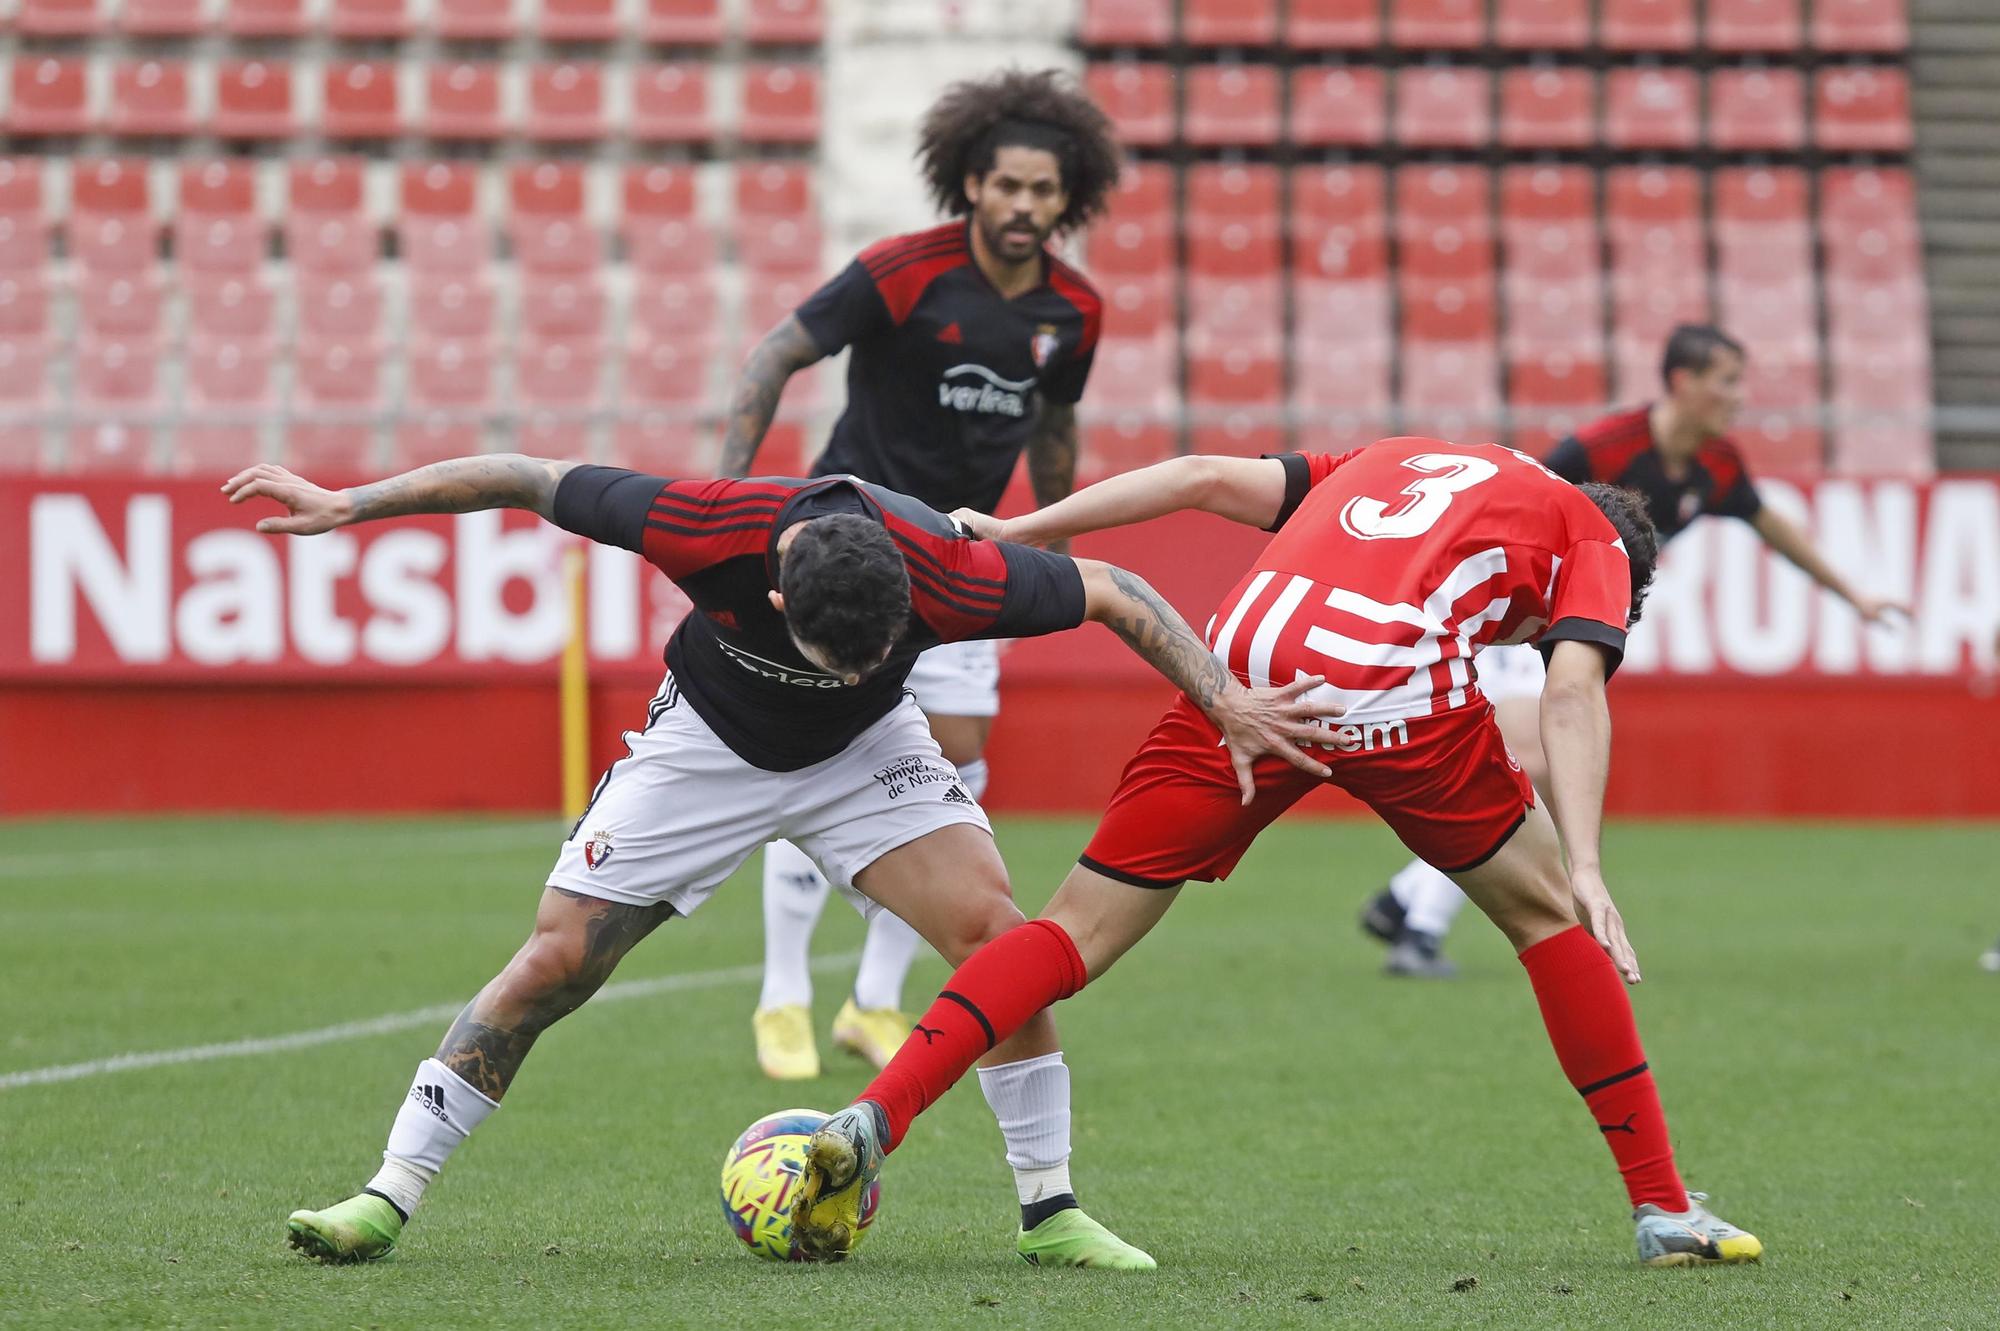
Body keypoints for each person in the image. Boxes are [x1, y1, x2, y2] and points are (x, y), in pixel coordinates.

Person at [225, 452, 1331, 1269]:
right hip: (704, 744)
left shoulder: (951, 574)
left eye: (873, 657)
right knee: (557, 960)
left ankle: (1051, 1212)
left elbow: (1110, 592)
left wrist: (1220, 696)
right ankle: (386, 1191)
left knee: (999, 937)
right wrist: (349, 503)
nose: (852, 668)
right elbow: (524, 474)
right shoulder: (703, 522)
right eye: (831, 657)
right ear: (774, 591)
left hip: (867, 759)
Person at [786, 437, 1765, 1270]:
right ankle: (1663, 1206)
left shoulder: (1396, 458)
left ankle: (877, 1112)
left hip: (1241, 666)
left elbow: (1202, 476)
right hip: (1386, 680)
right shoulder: (1591, 538)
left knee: (1071, 929)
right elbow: (1570, 694)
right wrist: (1587, 863)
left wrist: (1017, 529)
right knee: (1547, 912)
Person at [716, 69, 1120, 1079]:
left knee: (950, 767)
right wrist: (729, 492)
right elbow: (773, 354)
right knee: (805, 750)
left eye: (1043, 191)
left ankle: (873, 1000)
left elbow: (1056, 429)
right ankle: (780, 995)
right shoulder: (902, 271)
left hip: (959, 557)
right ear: (969, 183)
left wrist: (1053, 549)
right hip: (844, 544)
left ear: (1067, 199)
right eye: (1007, 186)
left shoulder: (1072, 311)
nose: (1024, 206)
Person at [1363, 324, 1911, 977]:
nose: (1739, 397)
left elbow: (1773, 528)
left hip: (1571, 626)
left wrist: (1856, 596)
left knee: (1526, 765)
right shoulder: (1598, 449)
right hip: (1518, 615)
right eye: (1727, 380)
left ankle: (1407, 902)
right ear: (1683, 382)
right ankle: (1418, 925)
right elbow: (1503, 505)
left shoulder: (1717, 465)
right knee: (1533, 761)